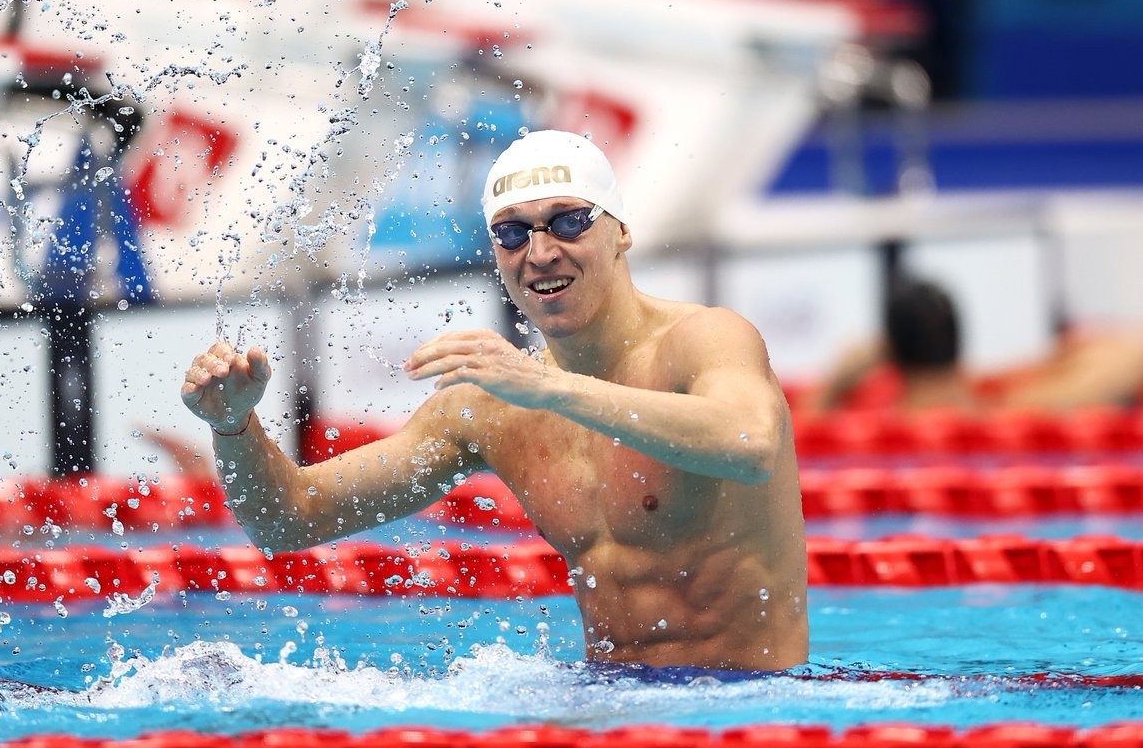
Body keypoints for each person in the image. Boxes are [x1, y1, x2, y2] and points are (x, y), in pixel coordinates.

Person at [181, 130, 808, 672]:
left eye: (569, 221)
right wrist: (234, 430)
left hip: (748, 708)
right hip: (613, 703)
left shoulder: (704, 340)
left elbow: (750, 443)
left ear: (621, 232)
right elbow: (289, 521)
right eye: (512, 233)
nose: (540, 253)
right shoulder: (492, 407)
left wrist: (551, 387)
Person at [806, 276, 1143, 411]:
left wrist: (834, 384)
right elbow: (1132, 355)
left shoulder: (873, 419)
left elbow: (786, 446)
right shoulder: (1004, 412)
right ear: (959, 340)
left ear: (890, 351)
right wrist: (1055, 360)